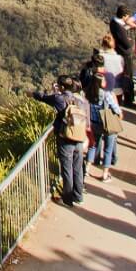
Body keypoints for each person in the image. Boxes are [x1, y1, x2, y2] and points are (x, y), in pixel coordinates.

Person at [34, 76, 89, 206]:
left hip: (66, 138)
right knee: (77, 168)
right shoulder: (80, 100)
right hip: (79, 137)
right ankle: (78, 196)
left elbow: (43, 97)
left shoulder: (59, 98)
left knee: (67, 169)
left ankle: (67, 199)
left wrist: (33, 94)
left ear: (62, 87)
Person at [89, 81, 123, 182]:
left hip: (94, 122)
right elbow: (116, 109)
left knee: (93, 145)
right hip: (107, 123)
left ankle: (87, 168)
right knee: (108, 149)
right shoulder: (106, 94)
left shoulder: (89, 93)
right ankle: (105, 174)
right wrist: (119, 116)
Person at [110, 5, 136, 107]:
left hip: (118, 52)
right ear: (124, 16)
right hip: (124, 54)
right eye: (127, 16)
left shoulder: (113, 22)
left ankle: (120, 98)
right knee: (128, 77)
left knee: (121, 76)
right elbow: (127, 44)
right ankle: (128, 100)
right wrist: (130, 41)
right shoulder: (119, 28)